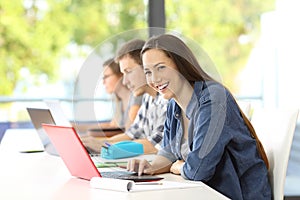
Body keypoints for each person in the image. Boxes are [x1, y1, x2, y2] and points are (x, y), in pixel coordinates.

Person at [127, 34, 271, 199]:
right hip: (204, 193)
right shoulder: (174, 104)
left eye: (161, 68)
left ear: (181, 64)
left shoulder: (213, 99)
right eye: (148, 72)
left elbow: (198, 170)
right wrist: (150, 167)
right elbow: (168, 152)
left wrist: (180, 167)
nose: (154, 79)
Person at [82, 39, 168, 154]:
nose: (124, 81)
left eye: (129, 71)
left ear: (147, 67)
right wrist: (100, 143)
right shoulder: (148, 98)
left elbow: (155, 145)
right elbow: (131, 134)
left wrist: (107, 147)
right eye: (123, 74)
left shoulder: (166, 99)